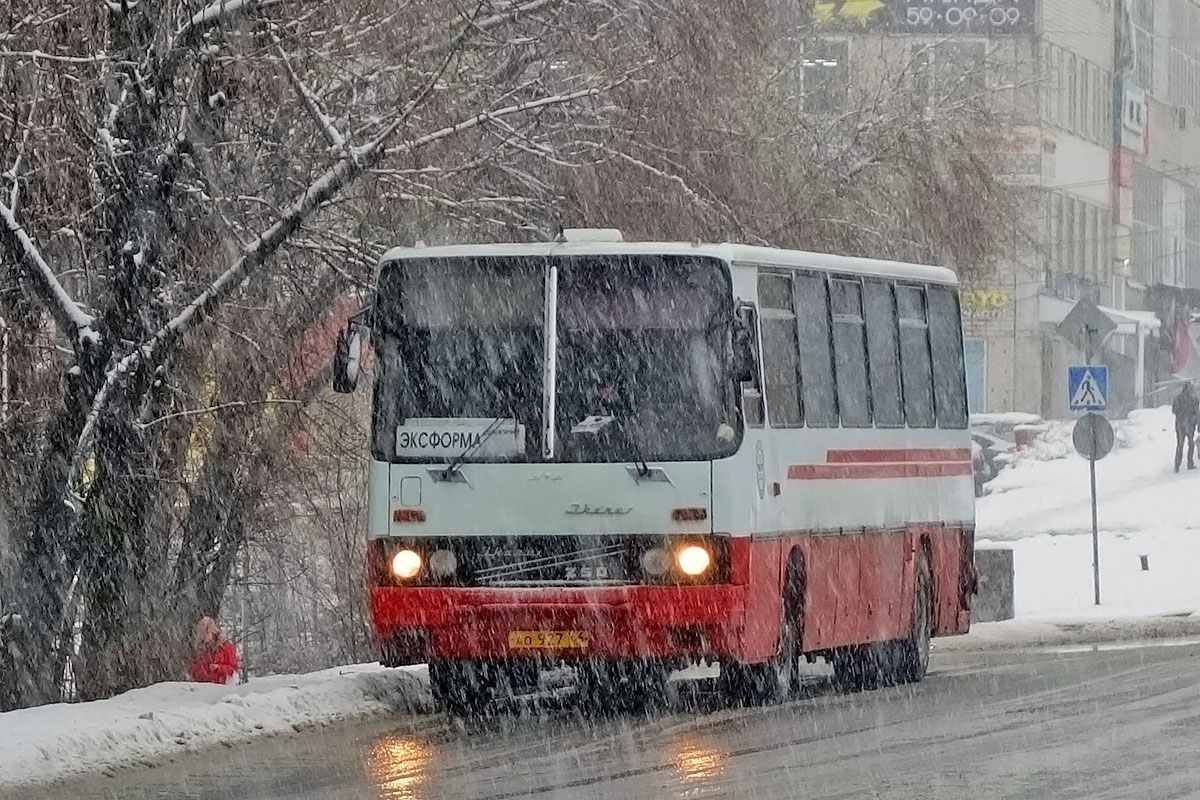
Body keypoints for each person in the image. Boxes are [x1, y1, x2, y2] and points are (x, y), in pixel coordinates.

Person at [189, 616, 240, 684]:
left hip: (224, 689)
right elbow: (194, 671)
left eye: (205, 633)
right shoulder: (199, 650)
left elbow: (234, 671)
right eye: (200, 634)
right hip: (203, 690)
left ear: (212, 632)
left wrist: (219, 668)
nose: (202, 638)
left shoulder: (226, 647)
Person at [1172, 382, 1200, 472]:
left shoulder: (1179, 398)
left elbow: (1174, 410)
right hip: (1186, 425)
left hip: (1182, 425)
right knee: (1188, 444)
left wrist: (1181, 417)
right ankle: (1188, 463)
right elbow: (1196, 412)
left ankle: (1178, 464)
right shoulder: (1193, 399)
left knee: (1181, 444)